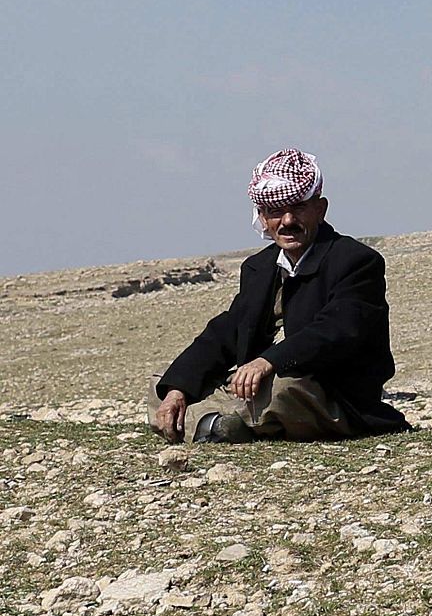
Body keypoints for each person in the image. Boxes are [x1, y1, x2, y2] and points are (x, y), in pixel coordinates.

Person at [149, 149, 409, 443]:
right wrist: (178, 389)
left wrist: (267, 362)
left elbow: (335, 330)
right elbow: (228, 330)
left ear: (320, 209)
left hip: (327, 393)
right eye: (275, 211)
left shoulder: (355, 261)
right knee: (164, 382)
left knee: (282, 390)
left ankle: (216, 425)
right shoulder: (260, 267)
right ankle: (219, 424)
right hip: (259, 385)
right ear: (262, 217)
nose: (287, 220)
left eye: (297, 208)